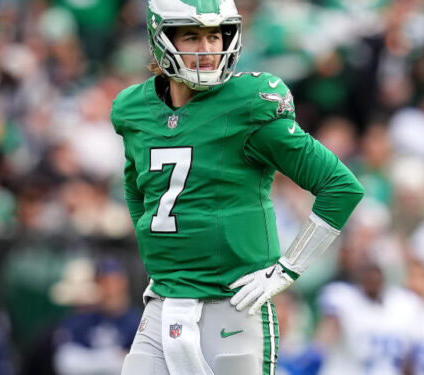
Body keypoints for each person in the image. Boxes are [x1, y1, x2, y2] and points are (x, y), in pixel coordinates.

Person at [110, 1, 365, 374]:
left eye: (215, 35)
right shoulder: (133, 108)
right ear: (160, 38)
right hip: (164, 303)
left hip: (234, 307)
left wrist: (288, 268)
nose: (209, 48)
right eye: (193, 36)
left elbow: (340, 186)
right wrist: (162, 250)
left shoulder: (247, 103)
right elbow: (136, 188)